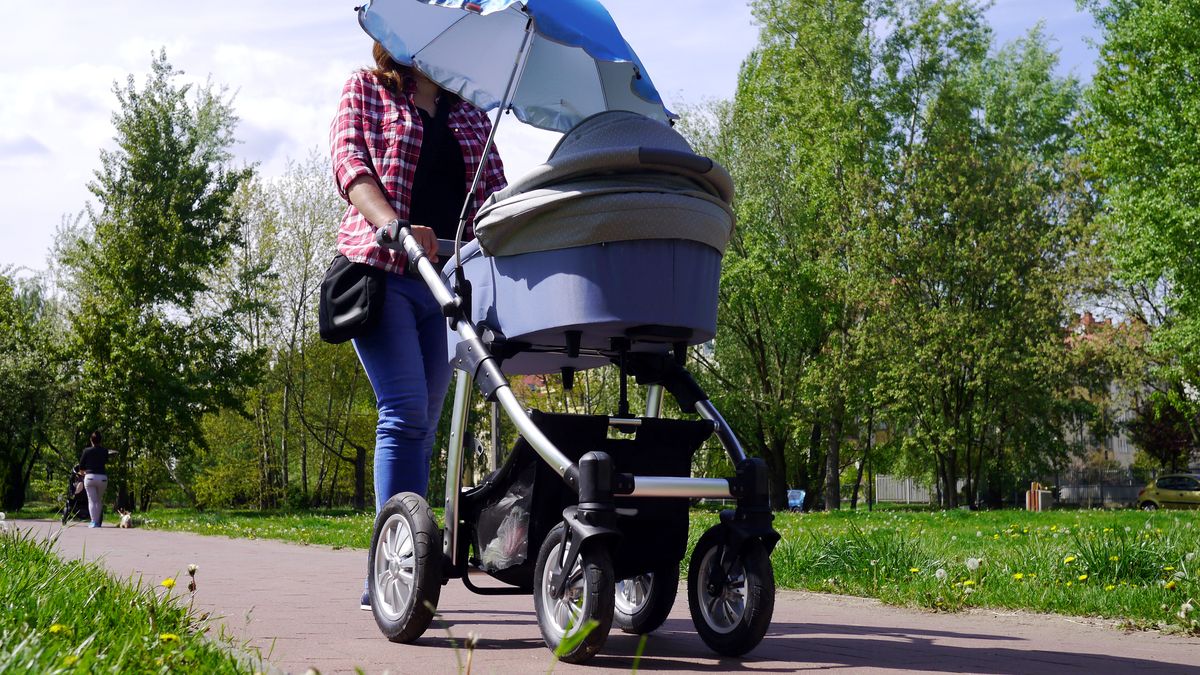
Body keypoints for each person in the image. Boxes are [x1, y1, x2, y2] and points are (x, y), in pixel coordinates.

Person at [330, 43, 506, 610]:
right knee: (404, 411)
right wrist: (395, 226)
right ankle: (391, 572)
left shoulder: (471, 113)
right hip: (385, 270)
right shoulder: (370, 88)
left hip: (448, 280)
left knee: (425, 423)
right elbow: (351, 165)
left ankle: (397, 563)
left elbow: (498, 197)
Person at [78, 431, 111, 528]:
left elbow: (81, 466)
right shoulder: (105, 451)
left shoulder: (86, 451)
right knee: (98, 500)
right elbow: (105, 461)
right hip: (102, 478)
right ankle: (97, 522)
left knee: (92, 500)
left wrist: (82, 473)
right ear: (101, 440)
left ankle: (94, 522)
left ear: (91, 440)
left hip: (90, 477)